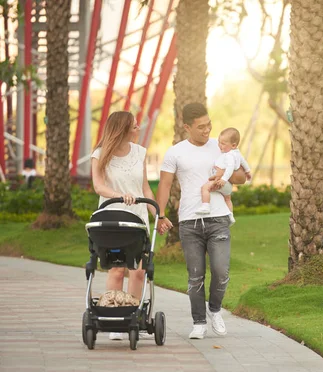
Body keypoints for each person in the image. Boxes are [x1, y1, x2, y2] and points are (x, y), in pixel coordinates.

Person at [156, 103, 246, 339]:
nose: (207, 130)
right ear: (187, 127)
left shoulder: (222, 147)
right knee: (195, 274)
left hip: (218, 218)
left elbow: (241, 178)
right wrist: (160, 214)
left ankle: (215, 309)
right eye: (201, 127)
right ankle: (198, 322)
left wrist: (223, 176)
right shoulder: (175, 152)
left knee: (220, 270)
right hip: (190, 221)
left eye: (209, 125)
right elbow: (164, 185)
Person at [91, 111, 157, 340]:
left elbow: (145, 188)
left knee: (138, 271)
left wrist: (158, 213)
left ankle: (133, 316)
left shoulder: (140, 153)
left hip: (138, 218)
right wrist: (120, 196)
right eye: (135, 127)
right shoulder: (100, 154)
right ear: (122, 129)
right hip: (113, 216)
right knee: (117, 268)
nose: (138, 130)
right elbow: (98, 186)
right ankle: (113, 317)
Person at [196, 127, 252, 226]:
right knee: (227, 199)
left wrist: (223, 179)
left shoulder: (229, 155)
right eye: (219, 142)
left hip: (222, 182)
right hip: (228, 186)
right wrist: (247, 171)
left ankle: (205, 205)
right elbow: (244, 162)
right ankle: (230, 215)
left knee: (205, 188)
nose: (219, 145)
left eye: (223, 143)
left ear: (233, 145)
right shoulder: (237, 153)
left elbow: (230, 168)